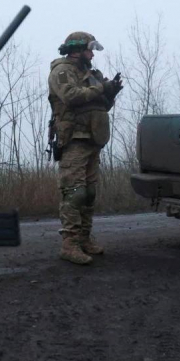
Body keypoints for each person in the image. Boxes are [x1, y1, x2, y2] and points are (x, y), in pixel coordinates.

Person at [48, 32, 122, 265]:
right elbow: (70, 96)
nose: (92, 54)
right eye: (90, 49)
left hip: (93, 137)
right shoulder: (62, 71)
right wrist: (101, 88)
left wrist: (110, 93)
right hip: (74, 139)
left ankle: (84, 239)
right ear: (77, 50)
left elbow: (101, 107)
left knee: (89, 193)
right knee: (75, 193)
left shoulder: (91, 74)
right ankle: (69, 245)